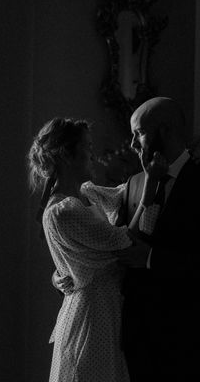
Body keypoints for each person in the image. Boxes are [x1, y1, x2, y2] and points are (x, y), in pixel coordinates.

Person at [27, 117, 167, 382]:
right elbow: (125, 239)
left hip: (109, 308)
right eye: (87, 147)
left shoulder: (87, 194)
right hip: (93, 317)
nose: (93, 154)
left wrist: (148, 173)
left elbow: (123, 195)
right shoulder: (64, 212)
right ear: (67, 156)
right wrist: (149, 186)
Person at [115, 96, 200, 382]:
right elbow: (118, 245)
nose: (133, 144)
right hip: (137, 334)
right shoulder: (134, 183)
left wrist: (151, 259)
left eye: (139, 133)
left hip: (187, 334)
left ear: (165, 130)